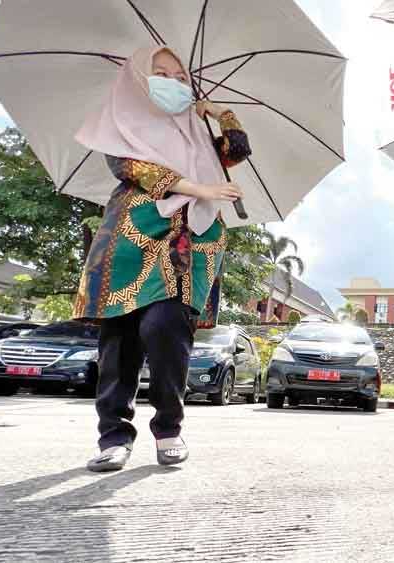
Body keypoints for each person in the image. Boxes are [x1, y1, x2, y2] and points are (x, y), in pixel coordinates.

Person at [73, 46, 251, 472]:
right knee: (120, 342)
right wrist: (201, 190)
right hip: (131, 239)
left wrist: (221, 114)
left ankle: (169, 425)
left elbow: (239, 149)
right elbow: (134, 171)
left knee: (167, 325)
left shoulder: (197, 133)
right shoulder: (119, 124)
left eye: (179, 75)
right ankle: (114, 436)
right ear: (138, 79)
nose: (172, 82)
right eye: (160, 73)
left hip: (188, 242)